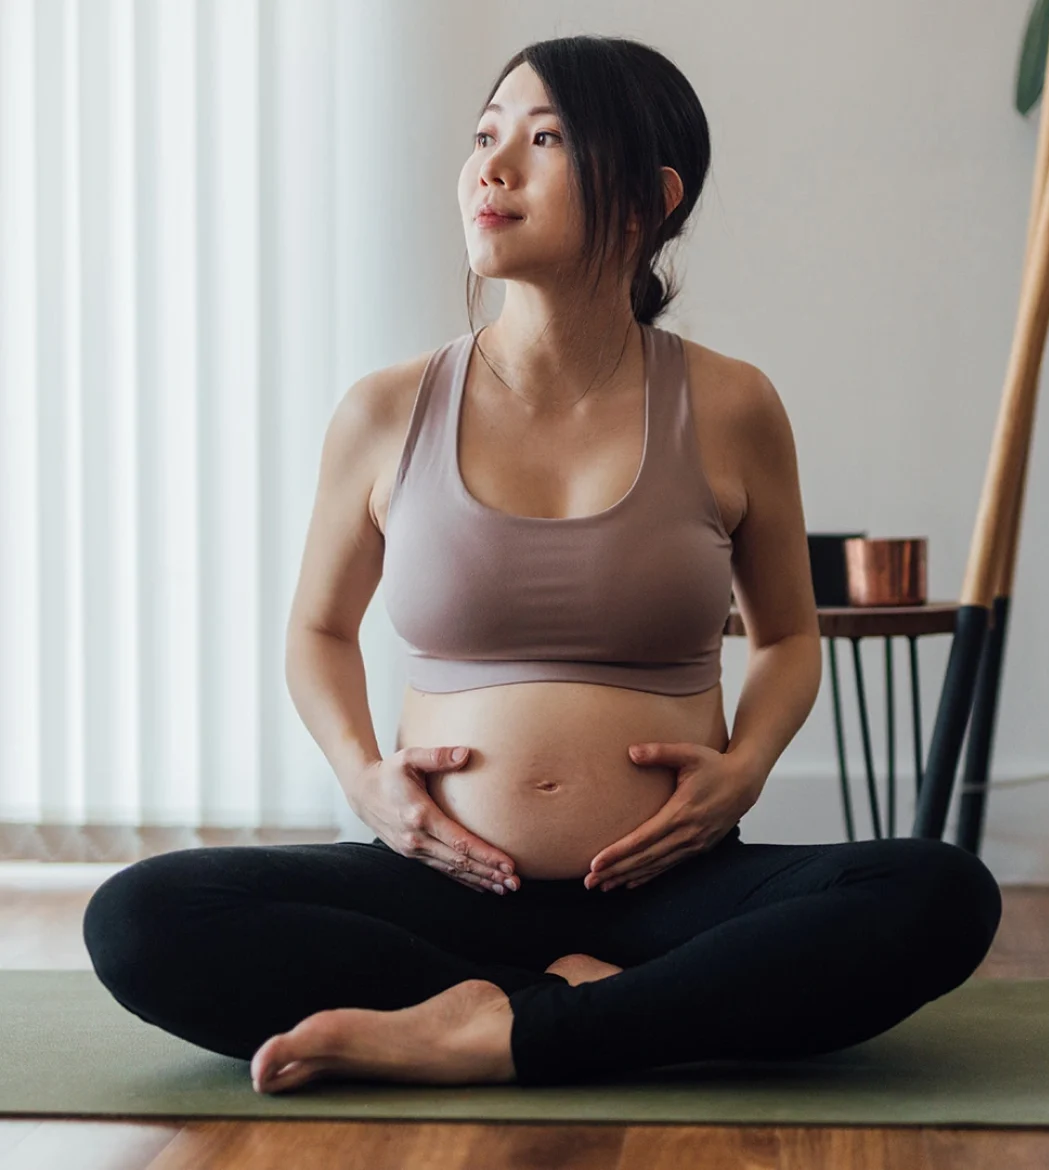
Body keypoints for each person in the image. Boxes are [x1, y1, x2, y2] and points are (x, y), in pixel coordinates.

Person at [83, 34, 1002, 1093]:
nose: (493, 164)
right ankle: (571, 1011)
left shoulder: (734, 404)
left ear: (647, 200)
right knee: (142, 918)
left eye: (545, 136)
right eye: (485, 135)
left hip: (673, 886)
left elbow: (791, 637)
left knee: (938, 893)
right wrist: (364, 780)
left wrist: (745, 768)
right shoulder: (386, 412)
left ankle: (493, 1026)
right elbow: (318, 631)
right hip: (442, 888)